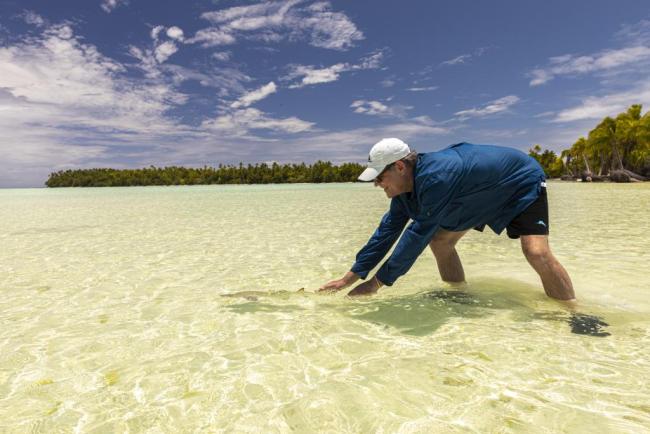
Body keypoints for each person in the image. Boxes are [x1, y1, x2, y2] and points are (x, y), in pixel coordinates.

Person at [319, 138, 576, 303]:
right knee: (441, 241)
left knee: (536, 252)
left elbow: (415, 235)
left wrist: (376, 284)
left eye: (378, 177)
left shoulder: (437, 178)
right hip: (476, 193)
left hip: (519, 182)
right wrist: (349, 278)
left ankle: (574, 311)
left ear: (399, 167)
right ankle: (459, 296)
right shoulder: (404, 191)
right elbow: (386, 232)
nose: (376, 184)